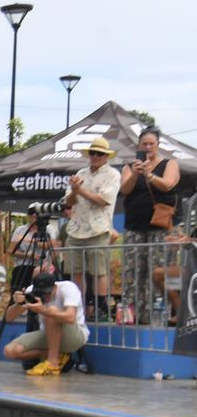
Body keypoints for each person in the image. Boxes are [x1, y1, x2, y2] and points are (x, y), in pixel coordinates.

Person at [119, 127, 181, 324]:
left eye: (151, 144)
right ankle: (132, 315)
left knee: (158, 273)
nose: (147, 148)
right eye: (144, 144)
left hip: (160, 227)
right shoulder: (129, 167)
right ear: (138, 146)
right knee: (133, 273)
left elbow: (168, 184)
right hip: (134, 227)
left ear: (157, 145)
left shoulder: (169, 163)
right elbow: (124, 189)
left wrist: (150, 175)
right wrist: (137, 174)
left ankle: (157, 316)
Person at [63, 136, 121, 321]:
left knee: (99, 271)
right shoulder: (80, 173)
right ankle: (78, 306)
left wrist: (79, 191)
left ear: (106, 156)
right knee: (75, 272)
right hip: (75, 229)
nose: (95, 156)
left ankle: (100, 307)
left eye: (99, 153)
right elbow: (68, 203)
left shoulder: (112, 175)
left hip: (98, 229)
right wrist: (74, 190)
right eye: (92, 153)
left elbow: (103, 200)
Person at [2, 272, 88, 377]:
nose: (45, 297)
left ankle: (53, 364)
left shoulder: (68, 288)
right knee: (10, 351)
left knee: (51, 310)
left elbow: (70, 317)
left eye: (48, 293)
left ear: (55, 286)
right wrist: (19, 304)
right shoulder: (31, 291)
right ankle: (58, 355)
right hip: (48, 335)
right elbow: (9, 318)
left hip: (74, 336)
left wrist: (42, 309)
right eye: (41, 294)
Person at [8, 210, 59, 289]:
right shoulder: (20, 230)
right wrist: (28, 255)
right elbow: (10, 250)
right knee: (20, 287)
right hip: (23, 266)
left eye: (37, 214)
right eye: (31, 213)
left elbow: (52, 246)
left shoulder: (49, 229)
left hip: (43, 266)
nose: (34, 216)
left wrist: (32, 241)